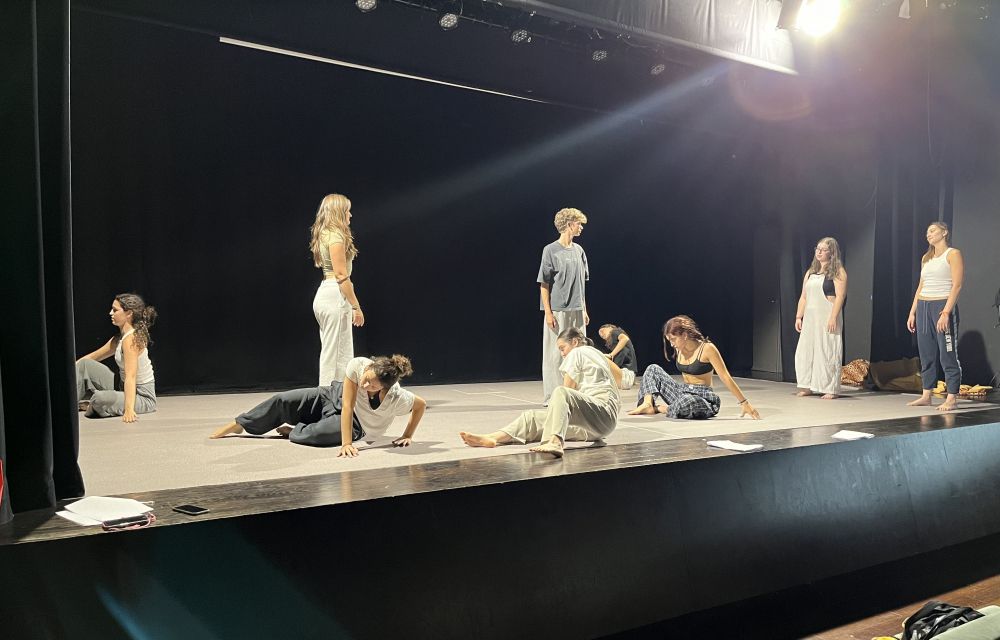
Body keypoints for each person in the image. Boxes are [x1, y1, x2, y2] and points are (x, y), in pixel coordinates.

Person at [210, 355, 426, 455]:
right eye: (367, 378)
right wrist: (345, 444)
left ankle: (295, 430)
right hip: (333, 396)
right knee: (284, 400)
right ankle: (242, 424)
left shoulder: (397, 397)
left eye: (372, 386)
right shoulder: (359, 365)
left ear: (385, 388)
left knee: (315, 436)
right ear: (369, 368)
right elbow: (348, 404)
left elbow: (420, 405)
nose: (365, 384)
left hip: (357, 424)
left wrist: (407, 435)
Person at [459, 327, 620, 458]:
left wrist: (553, 418)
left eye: (562, 348)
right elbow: (623, 379)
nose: (562, 354)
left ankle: (555, 442)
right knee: (532, 417)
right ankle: (492, 438)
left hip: (601, 413)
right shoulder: (598, 354)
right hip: (594, 425)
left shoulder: (578, 352)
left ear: (575, 342)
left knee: (561, 393)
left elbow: (567, 391)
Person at [628, 315, 761, 420]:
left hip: (703, 398)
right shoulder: (679, 348)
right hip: (683, 392)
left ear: (685, 335)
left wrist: (745, 403)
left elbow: (725, 376)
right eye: (669, 341)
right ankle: (647, 404)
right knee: (652, 368)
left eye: (673, 339)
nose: (672, 344)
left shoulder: (707, 348)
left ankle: (660, 408)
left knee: (687, 401)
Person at [906, 221, 964, 411]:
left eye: (932, 231)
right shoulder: (926, 257)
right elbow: (921, 286)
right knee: (926, 353)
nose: (928, 234)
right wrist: (913, 311)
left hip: (942, 305)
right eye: (927, 232)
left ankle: (952, 397)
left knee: (947, 353)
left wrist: (946, 312)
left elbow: (957, 285)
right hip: (924, 306)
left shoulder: (952, 254)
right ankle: (926, 395)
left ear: (944, 232)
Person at [75, 293, 158, 422]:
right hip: (122, 386)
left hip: (142, 397)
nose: (110, 313)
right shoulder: (119, 338)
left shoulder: (131, 339)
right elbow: (92, 357)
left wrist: (129, 409)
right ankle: (65, 403)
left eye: (115, 310)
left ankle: (94, 405)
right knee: (84, 365)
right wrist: (69, 372)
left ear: (129, 313)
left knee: (99, 398)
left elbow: (131, 376)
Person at [310, 193, 364, 386]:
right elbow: (341, 275)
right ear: (339, 212)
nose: (350, 215)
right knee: (335, 353)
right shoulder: (335, 236)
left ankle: (340, 395)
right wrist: (356, 306)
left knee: (339, 352)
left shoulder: (326, 233)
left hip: (328, 292)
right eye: (347, 211)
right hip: (335, 294)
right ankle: (327, 395)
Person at [538, 207, 590, 404]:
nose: (581, 227)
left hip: (577, 309)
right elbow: (544, 283)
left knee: (579, 351)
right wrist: (548, 312)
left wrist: (584, 308)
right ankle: (553, 396)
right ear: (569, 225)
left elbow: (582, 284)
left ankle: (576, 394)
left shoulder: (579, 251)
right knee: (555, 354)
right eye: (579, 224)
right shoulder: (550, 250)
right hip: (558, 310)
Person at [794, 237, 848, 399]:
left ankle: (830, 388)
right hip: (811, 317)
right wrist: (799, 316)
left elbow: (840, 296)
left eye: (824, 250)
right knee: (806, 350)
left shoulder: (838, 272)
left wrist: (833, 317)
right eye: (818, 249)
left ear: (832, 253)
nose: (819, 252)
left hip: (827, 314)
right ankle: (806, 385)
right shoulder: (811, 272)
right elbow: (804, 296)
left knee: (827, 350)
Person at [598, 323, 637, 389]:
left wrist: (611, 355)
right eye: (600, 335)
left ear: (610, 327)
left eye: (602, 331)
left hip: (625, 375)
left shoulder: (614, 331)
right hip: (626, 377)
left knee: (599, 357)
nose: (601, 335)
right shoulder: (616, 344)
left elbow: (624, 338)